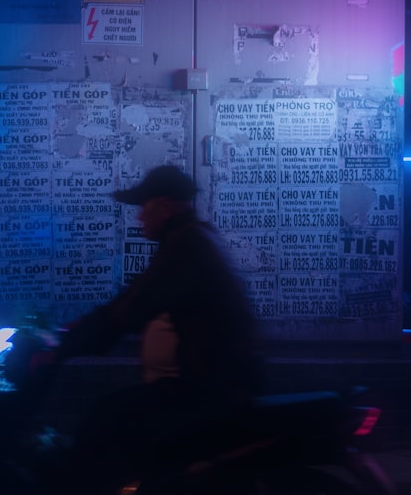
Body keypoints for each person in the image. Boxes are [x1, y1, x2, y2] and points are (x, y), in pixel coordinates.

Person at [37, 164, 264, 493]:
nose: (140, 217)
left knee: (105, 419)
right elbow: (131, 302)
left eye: (145, 207)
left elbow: (128, 312)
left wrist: (60, 350)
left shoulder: (186, 246)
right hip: (221, 382)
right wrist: (72, 331)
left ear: (165, 206)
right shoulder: (195, 238)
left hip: (212, 389)